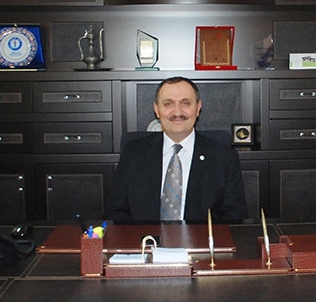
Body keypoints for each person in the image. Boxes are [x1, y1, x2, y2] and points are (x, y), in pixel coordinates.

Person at [104, 76, 248, 222]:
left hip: (202, 236)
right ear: (156, 109)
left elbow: (234, 214)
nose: (177, 112)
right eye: (168, 104)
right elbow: (116, 211)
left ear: (198, 107)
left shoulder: (224, 157)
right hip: (145, 236)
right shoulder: (134, 153)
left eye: (185, 103)